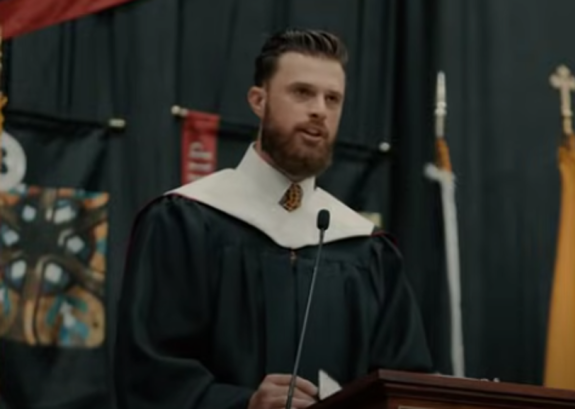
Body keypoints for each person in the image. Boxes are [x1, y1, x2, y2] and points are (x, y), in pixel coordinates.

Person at [113, 28, 434, 409]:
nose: (319, 109)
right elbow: (148, 375)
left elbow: (405, 389)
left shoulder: (366, 249)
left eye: (333, 99)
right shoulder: (186, 220)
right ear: (258, 100)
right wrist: (243, 405)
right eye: (302, 92)